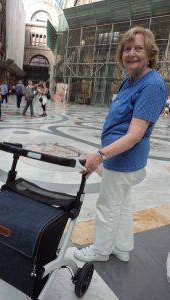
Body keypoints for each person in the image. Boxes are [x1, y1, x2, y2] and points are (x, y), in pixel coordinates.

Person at [74, 26, 167, 263]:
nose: (131, 53)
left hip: (124, 159)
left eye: (138, 48)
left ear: (149, 54)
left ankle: (101, 250)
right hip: (119, 158)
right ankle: (122, 247)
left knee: (107, 206)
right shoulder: (130, 80)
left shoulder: (152, 85)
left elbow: (135, 135)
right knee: (122, 204)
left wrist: (99, 155)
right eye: (127, 49)